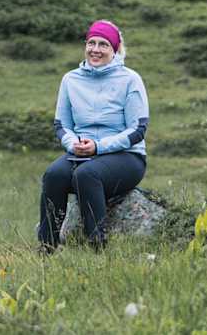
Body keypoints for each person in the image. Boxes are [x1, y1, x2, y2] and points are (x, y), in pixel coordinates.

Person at [37, 20, 148, 251]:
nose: (95, 49)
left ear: (115, 50)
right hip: (81, 151)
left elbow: (137, 130)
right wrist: (73, 144)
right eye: (91, 43)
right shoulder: (71, 79)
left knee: (86, 175)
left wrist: (98, 147)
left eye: (103, 44)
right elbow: (61, 124)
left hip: (126, 157)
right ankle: (47, 247)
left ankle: (97, 246)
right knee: (53, 176)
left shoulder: (130, 79)